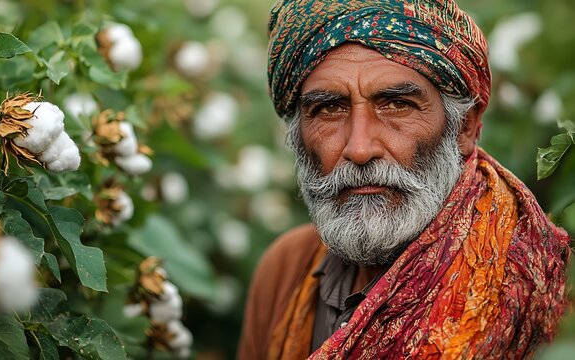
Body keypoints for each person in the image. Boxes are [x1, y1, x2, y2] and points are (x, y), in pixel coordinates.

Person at [238, 0, 571, 359]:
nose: (360, 149)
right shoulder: (285, 271)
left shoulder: (540, 285)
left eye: (397, 105)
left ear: (465, 127)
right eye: (329, 109)